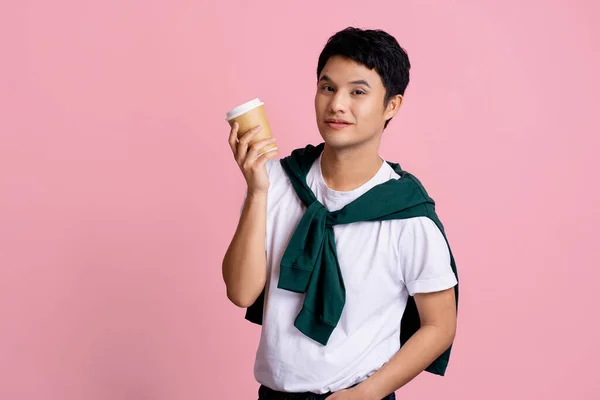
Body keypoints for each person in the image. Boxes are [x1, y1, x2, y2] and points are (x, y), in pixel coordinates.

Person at [222, 27, 459, 400]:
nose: (337, 105)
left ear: (392, 105)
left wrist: (365, 394)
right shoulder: (278, 181)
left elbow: (439, 325)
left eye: (358, 92)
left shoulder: (406, 212)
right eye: (327, 87)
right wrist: (256, 192)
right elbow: (240, 291)